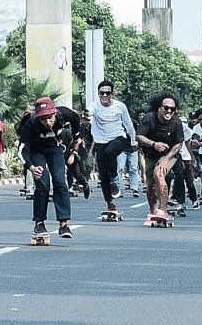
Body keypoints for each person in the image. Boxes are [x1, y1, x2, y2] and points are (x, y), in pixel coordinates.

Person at [16, 96, 79, 241]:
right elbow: (22, 151)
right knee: (42, 185)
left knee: (60, 182)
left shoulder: (64, 114)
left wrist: (76, 136)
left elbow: (76, 118)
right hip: (36, 152)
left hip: (54, 148)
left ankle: (63, 223)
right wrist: (31, 167)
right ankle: (39, 223)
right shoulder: (30, 124)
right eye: (43, 119)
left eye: (50, 118)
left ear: (55, 113)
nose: (47, 122)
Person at [89, 79, 136, 216]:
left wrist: (133, 140)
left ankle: (114, 178)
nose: (104, 96)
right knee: (103, 176)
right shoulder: (95, 106)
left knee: (111, 152)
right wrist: (85, 114)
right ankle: (110, 203)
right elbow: (89, 111)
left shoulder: (120, 106)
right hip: (101, 141)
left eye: (107, 93)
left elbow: (128, 124)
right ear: (98, 94)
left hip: (118, 138)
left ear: (112, 94)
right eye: (102, 93)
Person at [136, 92, 184, 225]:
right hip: (150, 154)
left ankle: (163, 211)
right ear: (159, 108)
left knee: (159, 174)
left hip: (169, 155)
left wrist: (166, 159)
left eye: (172, 109)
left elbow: (179, 144)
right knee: (151, 186)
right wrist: (154, 144)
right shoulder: (148, 118)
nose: (169, 111)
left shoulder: (176, 122)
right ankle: (152, 212)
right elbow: (139, 136)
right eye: (166, 108)